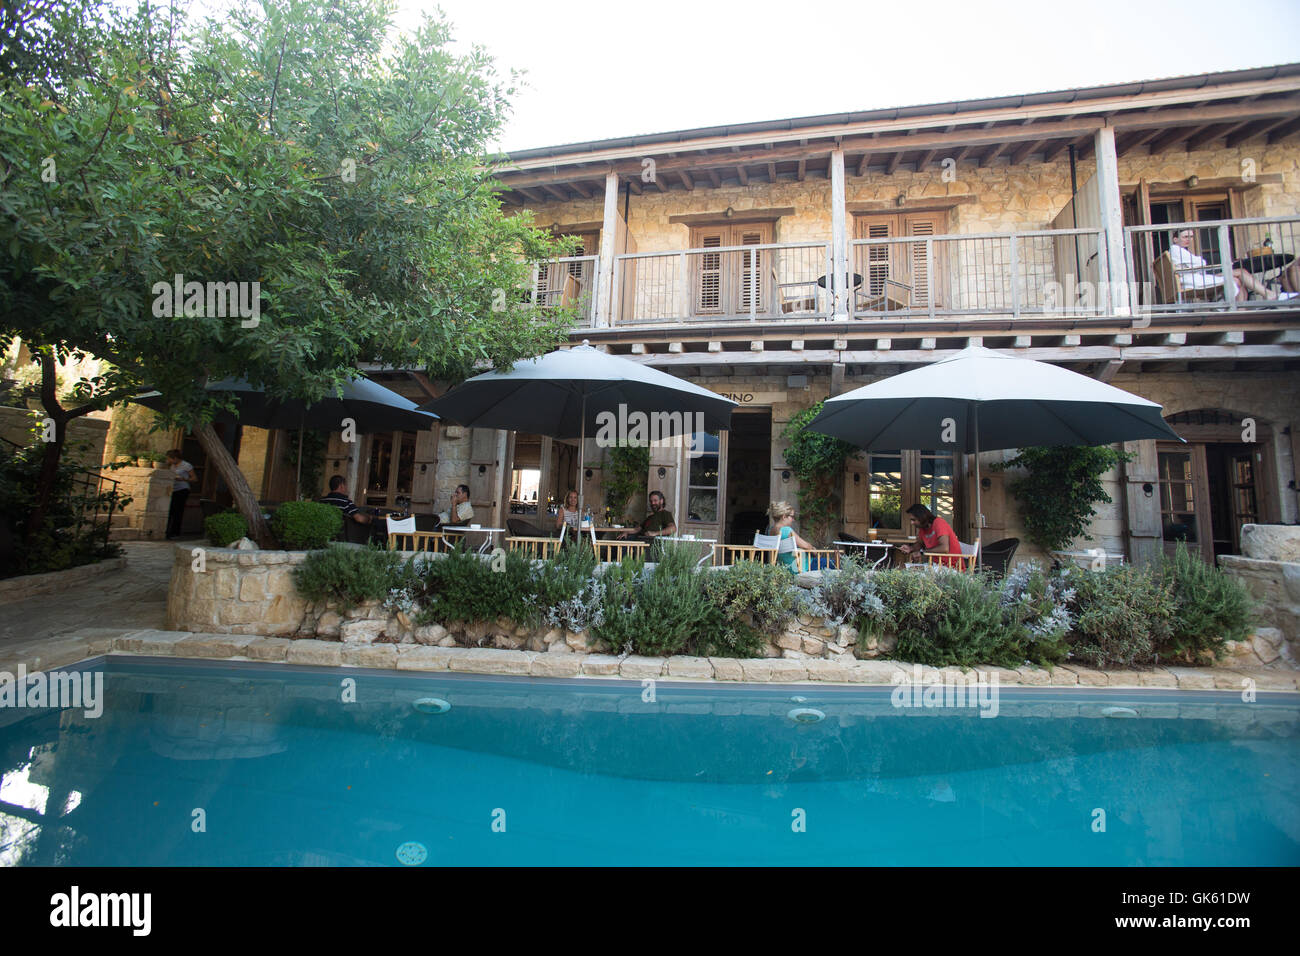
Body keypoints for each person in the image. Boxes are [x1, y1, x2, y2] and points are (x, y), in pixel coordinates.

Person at [1168, 228, 1288, 302]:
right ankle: (1267, 295)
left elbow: (1197, 264)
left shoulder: (1182, 251)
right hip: (1194, 281)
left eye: (1191, 236)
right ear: (1175, 239)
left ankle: (1245, 308)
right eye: (1185, 237)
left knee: (1239, 276)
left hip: (1198, 278)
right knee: (1239, 275)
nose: (1188, 239)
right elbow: (1200, 263)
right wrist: (1202, 261)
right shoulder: (1175, 250)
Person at [894, 503, 962, 568]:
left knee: (904, 570)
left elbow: (944, 548)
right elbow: (920, 544)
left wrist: (922, 552)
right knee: (900, 568)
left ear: (922, 517)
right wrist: (910, 548)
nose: (911, 523)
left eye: (913, 520)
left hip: (950, 567)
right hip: (936, 565)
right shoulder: (923, 529)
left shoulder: (939, 523)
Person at [766, 501, 816, 573]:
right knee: (831, 563)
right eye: (792, 516)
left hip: (787, 568)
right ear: (784, 517)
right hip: (801, 566)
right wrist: (813, 549)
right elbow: (807, 546)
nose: (793, 519)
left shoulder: (770, 531)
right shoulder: (786, 530)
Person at [164, 449, 196, 540]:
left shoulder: (186, 465)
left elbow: (194, 478)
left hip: (182, 489)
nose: (169, 460)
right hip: (173, 489)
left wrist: (183, 479)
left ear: (175, 458)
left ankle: (175, 532)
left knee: (177, 511)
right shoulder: (172, 466)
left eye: (170, 459)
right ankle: (167, 531)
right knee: (170, 510)